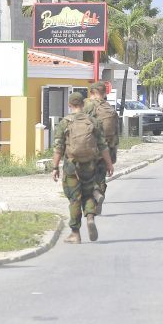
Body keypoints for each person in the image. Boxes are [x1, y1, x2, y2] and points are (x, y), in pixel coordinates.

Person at [52, 92, 114, 244]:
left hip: (71, 166)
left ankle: (75, 233)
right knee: (88, 194)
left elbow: (58, 148)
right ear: (83, 104)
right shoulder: (93, 121)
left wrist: (55, 167)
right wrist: (109, 164)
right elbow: (102, 145)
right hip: (90, 165)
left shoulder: (65, 122)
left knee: (74, 199)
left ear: (70, 105)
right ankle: (90, 218)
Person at [83, 81, 119, 213]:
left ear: (92, 93)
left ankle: (95, 195)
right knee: (101, 175)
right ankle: (99, 196)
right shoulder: (110, 108)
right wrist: (112, 155)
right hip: (108, 149)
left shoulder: (88, 106)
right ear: (104, 93)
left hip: (91, 147)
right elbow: (116, 132)